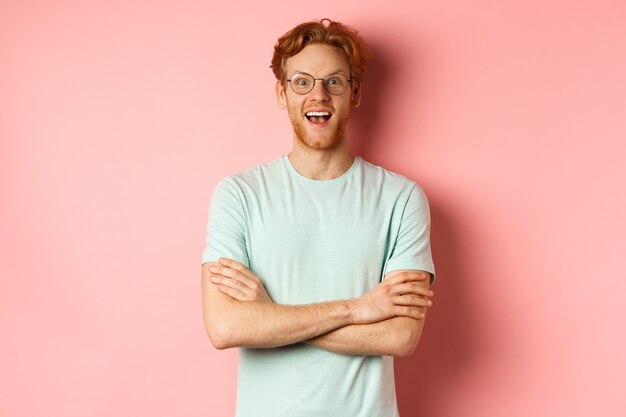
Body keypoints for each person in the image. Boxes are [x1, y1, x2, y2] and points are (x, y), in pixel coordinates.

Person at [201, 18, 436, 417]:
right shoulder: (239, 195)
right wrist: (357, 310)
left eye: (334, 82)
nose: (319, 95)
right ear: (282, 92)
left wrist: (269, 315)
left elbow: (399, 336)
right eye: (302, 82)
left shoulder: (402, 198)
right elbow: (226, 328)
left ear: (355, 93)